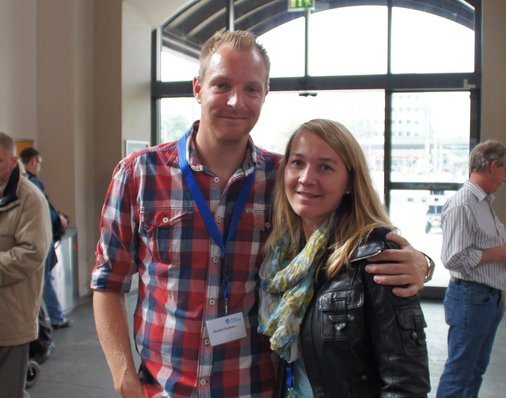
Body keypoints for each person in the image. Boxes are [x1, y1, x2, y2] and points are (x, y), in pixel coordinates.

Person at [91, 30, 432, 398]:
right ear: (197, 88)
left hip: (255, 388)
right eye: (222, 85)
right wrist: (126, 380)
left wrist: (420, 263)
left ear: (265, 94)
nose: (237, 101)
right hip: (166, 389)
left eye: (251, 89)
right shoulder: (139, 174)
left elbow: (347, 236)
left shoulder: (284, 181)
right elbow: (108, 282)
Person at [258, 119, 430, 397]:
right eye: (298, 163)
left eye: (325, 167)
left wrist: (425, 264)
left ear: (350, 181)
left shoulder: (376, 253)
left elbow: (406, 382)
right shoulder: (281, 252)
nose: (306, 178)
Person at [436, 140, 506, 398]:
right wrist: (499, 253)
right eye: (504, 170)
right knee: (460, 371)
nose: (504, 178)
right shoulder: (462, 204)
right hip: (471, 298)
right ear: (493, 166)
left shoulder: (484, 202)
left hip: (488, 298)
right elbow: (453, 258)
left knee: (475, 369)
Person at [0, 132, 52, 398]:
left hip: (11, 319)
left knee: (9, 392)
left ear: (12, 161)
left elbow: (31, 254)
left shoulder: (30, 198)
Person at [19, 147, 71, 330]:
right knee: (45, 278)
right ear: (33, 161)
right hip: (40, 239)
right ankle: (55, 317)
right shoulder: (33, 183)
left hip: (28, 239)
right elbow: (44, 210)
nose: (39, 167)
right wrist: (59, 219)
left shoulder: (20, 184)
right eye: (39, 162)